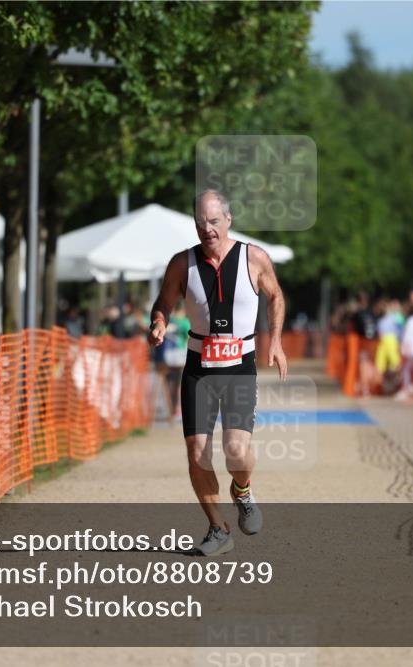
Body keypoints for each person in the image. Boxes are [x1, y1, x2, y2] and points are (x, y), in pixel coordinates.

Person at [147, 189, 287, 557]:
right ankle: (217, 528)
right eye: (200, 222)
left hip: (240, 365)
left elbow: (276, 296)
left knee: (237, 451)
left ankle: (242, 489)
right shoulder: (182, 264)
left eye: (213, 221)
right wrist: (159, 322)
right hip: (199, 366)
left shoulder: (253, 258)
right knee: (197, 453)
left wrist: (275, 341)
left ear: (228, 220)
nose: (207, 229)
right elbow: (163, 301)